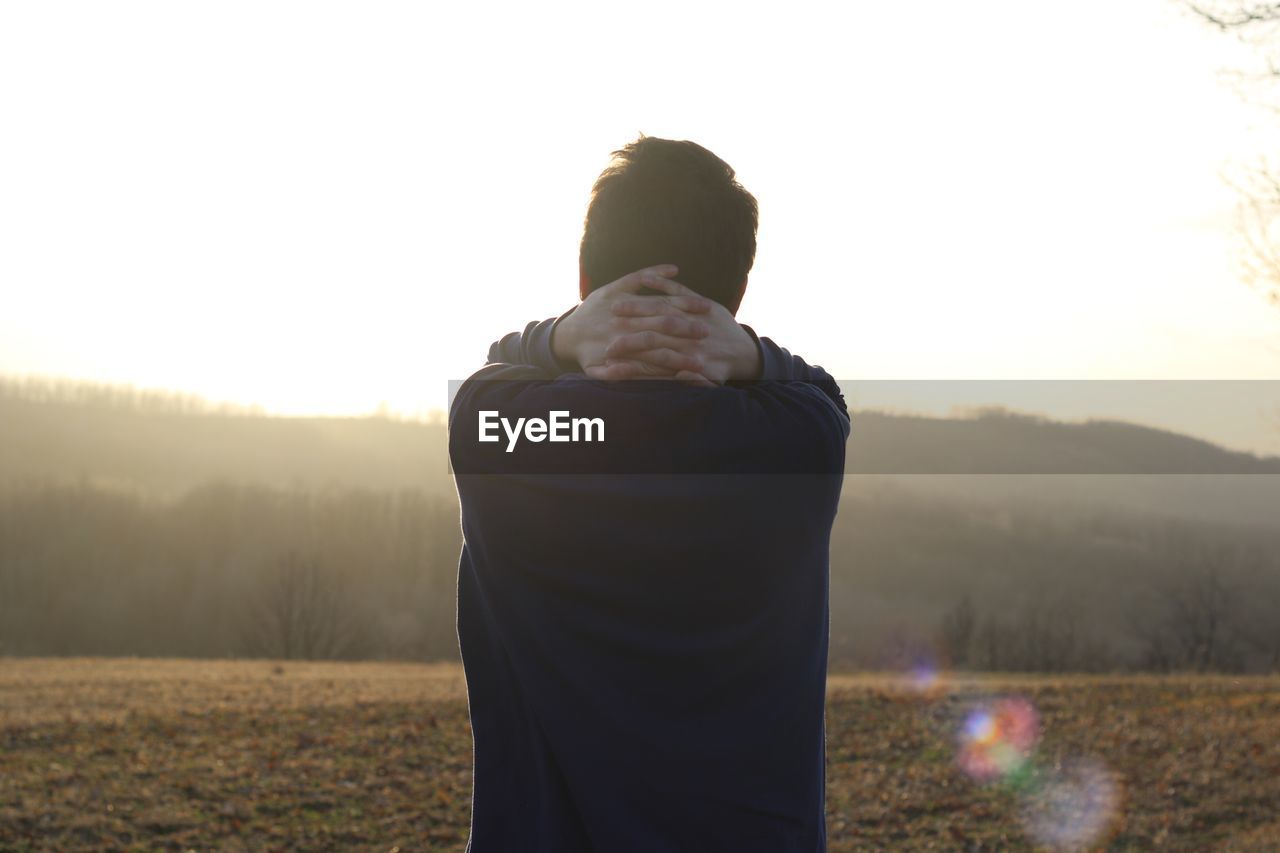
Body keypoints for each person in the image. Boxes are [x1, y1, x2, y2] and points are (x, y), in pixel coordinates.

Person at [448, 135, 849, 851]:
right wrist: (750, 352)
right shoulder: (800, 441)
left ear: (586, 281)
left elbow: (493, 372)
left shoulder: (503, 435)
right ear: (736, 296)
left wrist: (563, 336)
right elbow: (821, 392)